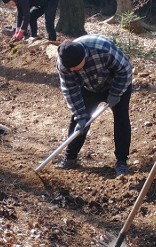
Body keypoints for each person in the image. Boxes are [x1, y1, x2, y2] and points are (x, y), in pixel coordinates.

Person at [55, 35, 133, 177]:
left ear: (84, 57)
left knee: (121, 119)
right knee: (78, 121)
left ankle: (122, 161)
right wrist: (80, 115)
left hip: (116, 84)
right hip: (89, 87)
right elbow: (70, 90)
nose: (72, 70)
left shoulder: (103, 49)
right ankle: (70, 157)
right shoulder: (64, 64)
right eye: (70, 68)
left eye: (75, 67)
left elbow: (125, 70)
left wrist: (116, 93)